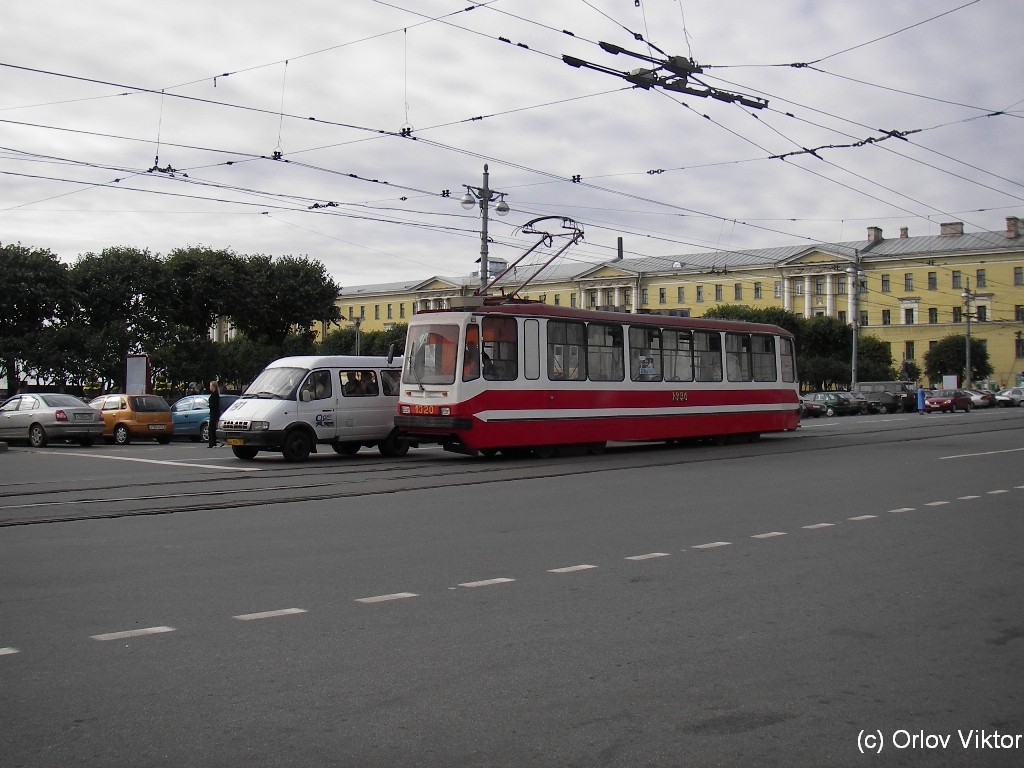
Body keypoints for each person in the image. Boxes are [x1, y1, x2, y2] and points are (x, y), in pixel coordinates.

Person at [208, 380, 221, 446]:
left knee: (211, 428)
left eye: (210, 386)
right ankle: (213, 442)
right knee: (212, 428)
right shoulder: (214, 394)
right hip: (213, 413)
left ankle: (212, 443)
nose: (209, 387)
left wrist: (210, 405)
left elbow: (214, 405)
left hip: (214, 413)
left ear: (213, 386)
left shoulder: (215, 395)